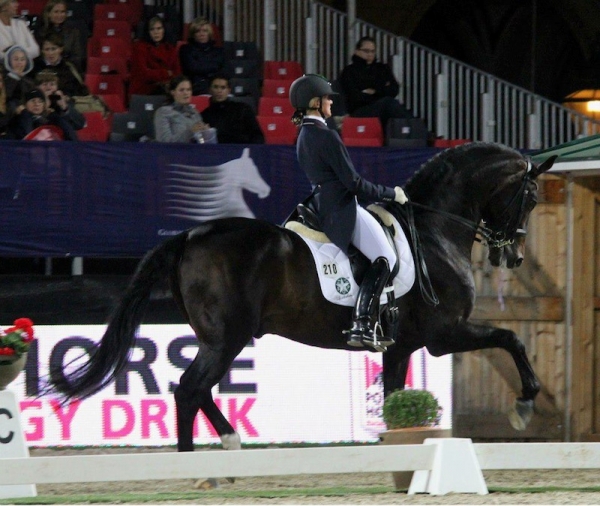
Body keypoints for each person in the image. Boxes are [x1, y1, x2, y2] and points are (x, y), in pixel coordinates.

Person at [289, 74, 408, 350]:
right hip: (340, 207)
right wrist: (391, 193)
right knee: (386, 258)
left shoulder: (304, 134)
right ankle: (363, 322)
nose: (332, 102)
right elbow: (355, 184)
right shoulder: (325, 135)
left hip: (321, 203)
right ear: (316, 102)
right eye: (328, 98)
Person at [338, 36, 412, 130]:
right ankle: (418, 131)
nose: (370, 54)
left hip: (382, 106)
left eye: (372, 51)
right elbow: (355, 97)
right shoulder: (349, 71)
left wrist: (374, 92)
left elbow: (394, 89)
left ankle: (414, 132)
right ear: (357, 51)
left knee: (393, 105)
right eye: (366, 51)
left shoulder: (382, 68)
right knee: (390, 103)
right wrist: (382, 91)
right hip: (359, 111)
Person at [200, 74, 264, 144]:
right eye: (216, 87)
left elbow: (257, 136)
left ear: (229, 90)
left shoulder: (243, 109)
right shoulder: (205, 115)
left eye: (223, 87)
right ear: (210, 90)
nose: (219, 91)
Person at [154, 74, 217, 143]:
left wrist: (206, 133)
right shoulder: (163, 112)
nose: (186, 93)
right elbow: (164, 142)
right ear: (173, 92)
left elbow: (202, 142)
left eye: (188, 89)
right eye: (181, 90)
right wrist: (190, 132)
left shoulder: (194, 112)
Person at [129, 16, 180, 98]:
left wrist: (159, 75)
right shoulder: (139, 48)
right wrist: (166, 73)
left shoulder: (170, 48)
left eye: (159, 28)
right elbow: (144, 74)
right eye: (152, 29)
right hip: (144, 90)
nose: (156, 32)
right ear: (147, 32)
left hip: (166, 88)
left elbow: (177, 73)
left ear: (164, 30)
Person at [34, 0, 85, 72]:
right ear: (48, 14)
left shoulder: (73, 32)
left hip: (67, 70)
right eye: (56, 12)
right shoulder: (40, 32)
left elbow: (78, 56)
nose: (60, 15)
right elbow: (38, 55)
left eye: (62, 12)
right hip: (44, 71)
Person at [7, 87, 77, 139]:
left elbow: (71, 134)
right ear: (25, 104)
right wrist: (25, 114)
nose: (37, 104)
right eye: (33, 100)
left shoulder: (51, 119)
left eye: (40, 101)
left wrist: (55, 116)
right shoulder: (17, 120)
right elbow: (28, 137)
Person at [178, 17, 224, 95]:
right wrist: (214, 67)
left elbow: (226, 70)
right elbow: (192, 68)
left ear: (209, 33)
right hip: (195, 86)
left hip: (216, 85)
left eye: (205, 31)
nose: (201, 34)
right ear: (193, 34)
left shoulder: (219, 51)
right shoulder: (186, 49)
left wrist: (202, 65)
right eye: (198, 31)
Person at [33, 32, 87, 97]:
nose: (50, 53)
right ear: (42, 51)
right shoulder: (34, 66)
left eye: (54, 49)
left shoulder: (68, 67)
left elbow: (77, 90)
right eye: (47, 49)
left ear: (61, 49)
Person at [3, 44, 36, 116]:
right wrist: (14, 77)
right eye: (16, 59)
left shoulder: (29, 81)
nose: (19, 63)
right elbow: (7, 96)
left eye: (22, 59)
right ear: (8, 61)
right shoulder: (3, 79)